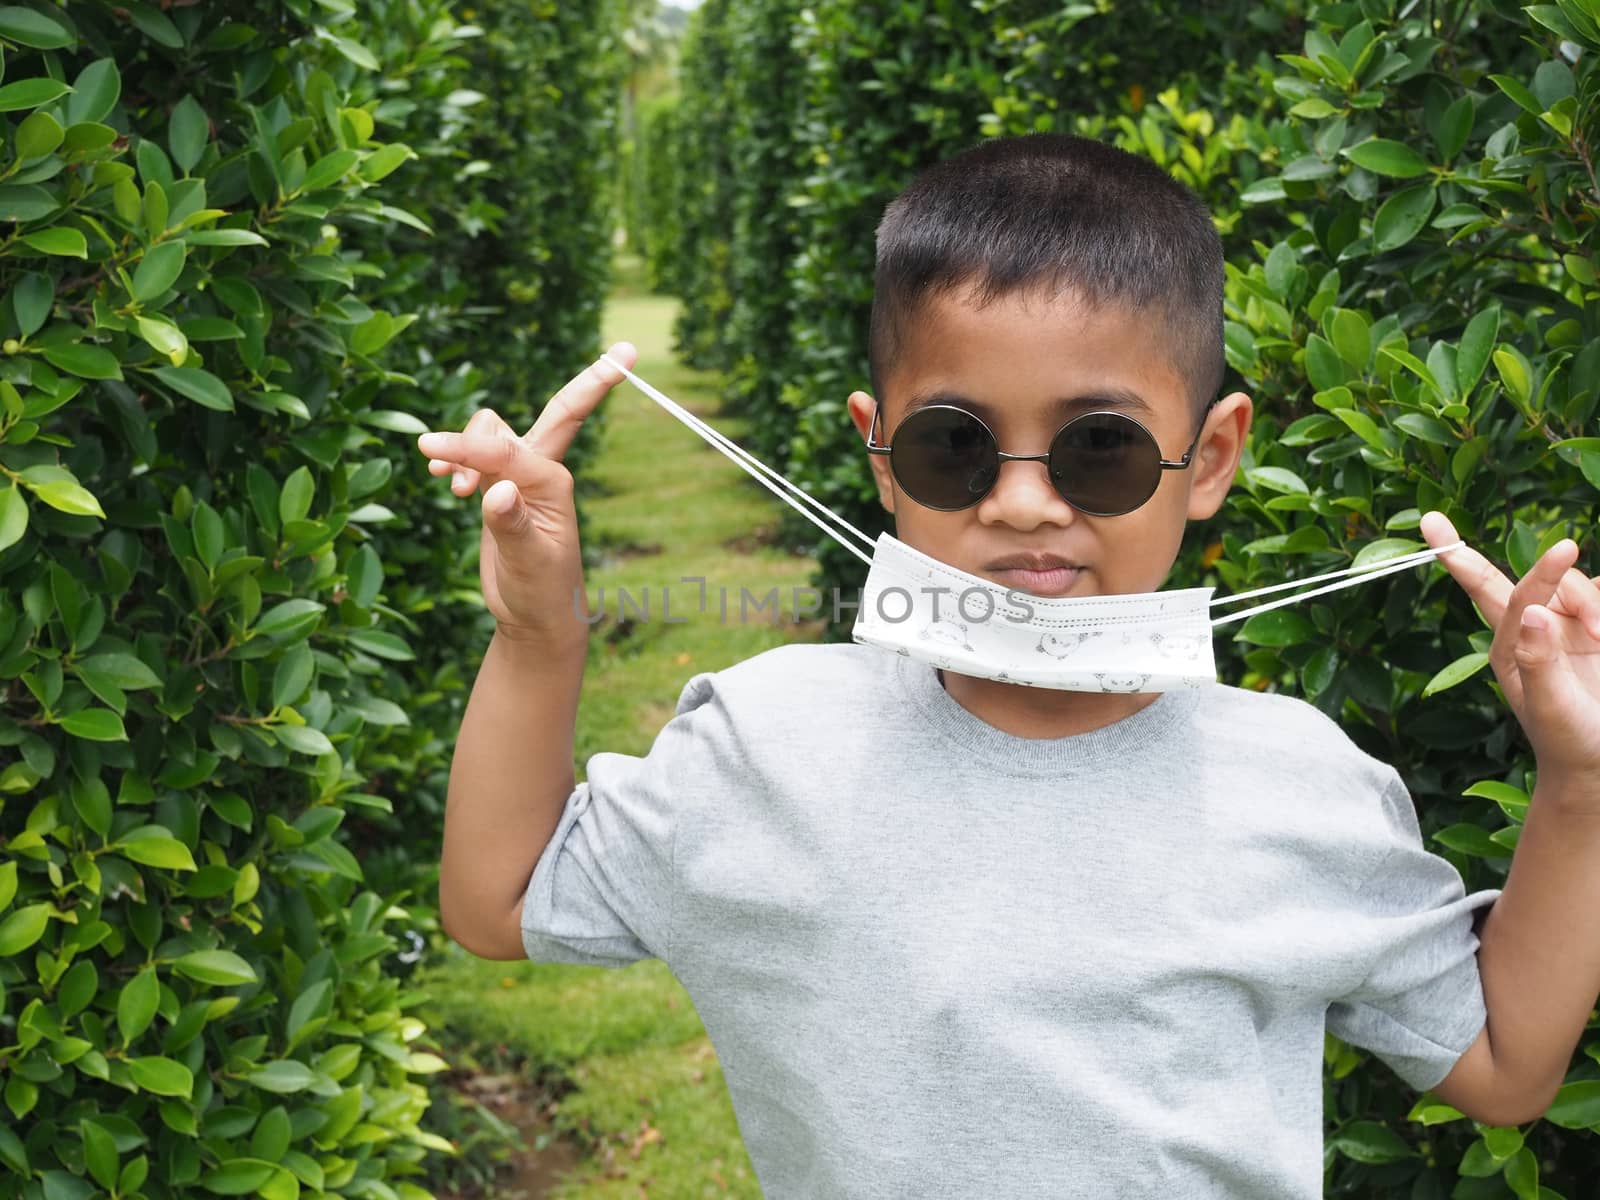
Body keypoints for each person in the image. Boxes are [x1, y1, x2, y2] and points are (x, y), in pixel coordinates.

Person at [416, 133, 1600, 1196]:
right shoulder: (765, 748)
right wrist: (538, 633)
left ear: (1212, 455)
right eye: (954, 447)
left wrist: (1580, 781)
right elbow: (496, 900)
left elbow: (1500, 1066)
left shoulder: (1303, 787)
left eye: (1097, 450)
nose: (1025, 503)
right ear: (879, 457)